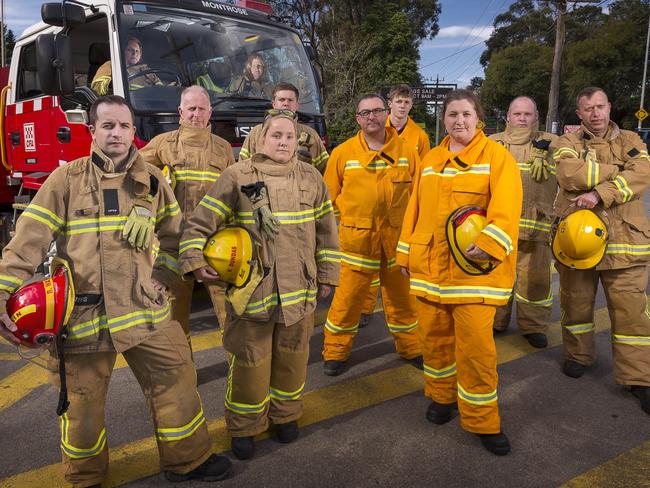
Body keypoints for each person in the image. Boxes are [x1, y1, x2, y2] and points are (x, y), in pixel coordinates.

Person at [0, 95, 232, 485]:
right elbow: (27, 242)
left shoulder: (152, 182)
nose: (117, 133)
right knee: (82, 407)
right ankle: (86, 476)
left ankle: (188, 460)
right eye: (107, 125)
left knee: (177, 382)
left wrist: (164, 274)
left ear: (133, 133)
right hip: (85, 318)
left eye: (124, 126)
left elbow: (177, 238)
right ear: (92, 131)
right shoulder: (66, 180)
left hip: (146, 309)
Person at [179, 111, 339, 460]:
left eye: (290, 137)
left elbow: (327, 231)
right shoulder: (237, 176)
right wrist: (195, 259)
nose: (284, 142)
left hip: (300, 293)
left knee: (293, 360)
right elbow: (199, 224)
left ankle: (285, 416)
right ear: (260, 140)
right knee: (251, 363)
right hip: (252, 294)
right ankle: (245, 427)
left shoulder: (312, 178)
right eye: (276, 135)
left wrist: (327, 273)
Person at [397, 89, 522, 455]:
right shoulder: (432, 159)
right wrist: (405, 255)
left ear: (478, 117)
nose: (459, 121)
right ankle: (442, 397)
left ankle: (483, 420)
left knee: (476, 351)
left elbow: (507, 209)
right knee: (434, 343)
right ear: (444, 119)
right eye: (452, 115)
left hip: (472, 272)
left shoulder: (496, 157)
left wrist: (488, 244)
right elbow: (414, 211)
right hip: (428, 270)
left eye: (466, 114)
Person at [552, 86, 650, 414]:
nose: (595, 113)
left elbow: (642, 173)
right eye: (587, 109)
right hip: (577, 242)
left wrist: (599, 192)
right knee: (576, 305)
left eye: (600, 106)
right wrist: (617, 171)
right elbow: (568, 174)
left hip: (626, 243)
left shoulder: (632, 141)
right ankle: (578, 356)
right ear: (578, 114)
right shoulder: (566, 143)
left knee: (632, 314)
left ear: (609, 107)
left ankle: (639, 378)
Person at [321, 94, 423, 377]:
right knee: (347, 302)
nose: (371, 117)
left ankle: (412, 347)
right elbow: (327, 202)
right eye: (364, 113)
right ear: (357, 119)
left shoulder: (407, 151)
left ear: (386, 113)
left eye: (376, 111)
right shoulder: (343, 153)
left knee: (403, 301)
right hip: (355, 243)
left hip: (396, 242)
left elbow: (419, 198)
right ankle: (335, 352)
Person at [139, 85, 235, 343]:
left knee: (230, 313)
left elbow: (235, 192)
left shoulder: (223, 148)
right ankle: (183, 377)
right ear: (180, 111)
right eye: (191, 108)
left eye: (201, 108)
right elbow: (135, 172)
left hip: (216, 242)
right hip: (175, 244)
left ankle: (239, 375)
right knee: (174, 320)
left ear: (210, 112)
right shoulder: (162, 144)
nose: (196, 114)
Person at [358, 84, 432, 328]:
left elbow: (421, 174)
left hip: (400, 209)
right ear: (390, 104)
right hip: (372, 207)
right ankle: (365, 307)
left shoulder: (419, 136)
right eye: (398, 101)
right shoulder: (377, 123)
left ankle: (402, 317)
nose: (402, 106)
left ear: (411, 105)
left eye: (406, 102)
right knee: (369, 264)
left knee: (396, 266)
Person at [489, 96, 558, 348]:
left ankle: (533, 327)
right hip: (499, 228)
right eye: (517, 114)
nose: (522, 119)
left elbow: (574, 175)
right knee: (496, 278)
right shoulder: (491, 144)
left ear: (536, 116)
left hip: (536, 225)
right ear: (508, 116)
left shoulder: (554, 144)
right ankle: (495, 322)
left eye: (527, 114)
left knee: (536, 281)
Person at [239, 82, 329, 173]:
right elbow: (242, 169)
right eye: (282, 100)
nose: (286, 103)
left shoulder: (311, 135)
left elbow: (326, 170)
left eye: (290, 100)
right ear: (273, 104)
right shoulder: (256, 133)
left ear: (297, 105)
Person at [91, 37, 163, 96]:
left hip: (148, 106)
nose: (134, 53)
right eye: (129, 50)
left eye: (137, 51)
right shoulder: (112, 65)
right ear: (122, 51)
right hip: (121, 104)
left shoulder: (147, 70)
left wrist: (169, 88)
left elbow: (161, 89)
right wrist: (113, 84)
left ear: (140, 54)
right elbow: (96, 87)